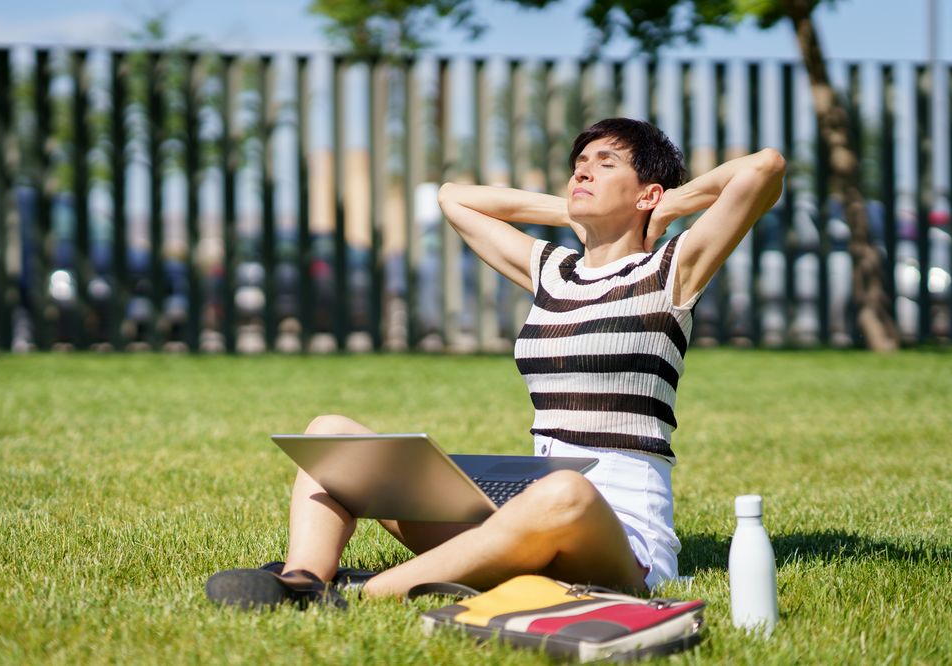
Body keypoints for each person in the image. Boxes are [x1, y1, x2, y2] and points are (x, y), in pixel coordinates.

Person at [205, 117, 785, 609]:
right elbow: (454, 198)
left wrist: (674, 204)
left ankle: (365, 594)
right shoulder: (552, 272)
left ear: (647, 192)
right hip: (521, 512)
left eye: (605, 163)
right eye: (578, 162)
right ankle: (303, 578)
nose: (582, 171)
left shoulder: (671, 271)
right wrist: (575, 210)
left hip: (616, 539)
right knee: (330, 433)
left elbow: (763, 167)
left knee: (564, 493)